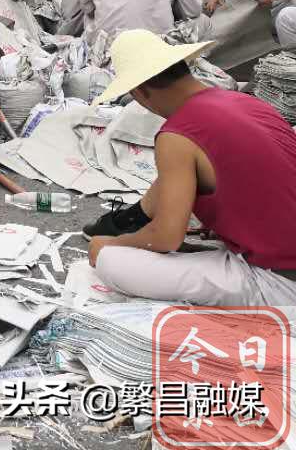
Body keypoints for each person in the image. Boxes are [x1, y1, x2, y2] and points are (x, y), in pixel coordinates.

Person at [83, 30, 296, 306]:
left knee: (108, 259)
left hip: (281, 282)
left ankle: (120, 232)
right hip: (284, 253)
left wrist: (113, 244)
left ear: (139, 92)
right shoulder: (247, 102)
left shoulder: (177, 135)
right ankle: (131, 220)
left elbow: (167, 237)